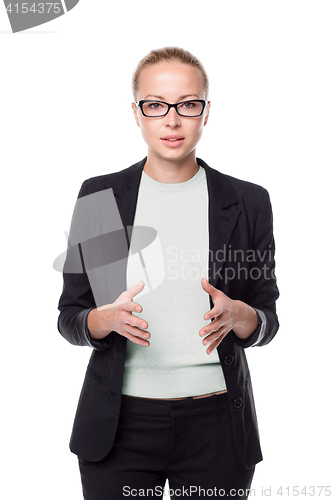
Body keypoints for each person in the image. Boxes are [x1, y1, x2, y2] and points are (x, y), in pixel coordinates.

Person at [57, 46, 279, 500]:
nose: (172, 120)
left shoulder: (248, 201)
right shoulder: (101, 197)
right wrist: (103, 321)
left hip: (218, 427)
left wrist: (243, 316)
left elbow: (267, 317)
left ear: (206, 111)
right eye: (155, 105)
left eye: (188, 104)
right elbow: (71, 315)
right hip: (118, 427)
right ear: (136, 113)